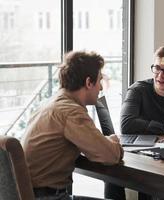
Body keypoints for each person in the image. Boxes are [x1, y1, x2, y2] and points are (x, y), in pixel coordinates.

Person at [22, 51, 124, 200]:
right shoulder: (71, 112)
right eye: (99, 81)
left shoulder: (49, 104)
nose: (101, 88)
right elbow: (110, 155)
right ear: (89, 82)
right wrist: (113, 141)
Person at [120, 46, 164, 135]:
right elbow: (126, 124)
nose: (160, 75)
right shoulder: (137, 90)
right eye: (157, 68)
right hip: (145, 147)